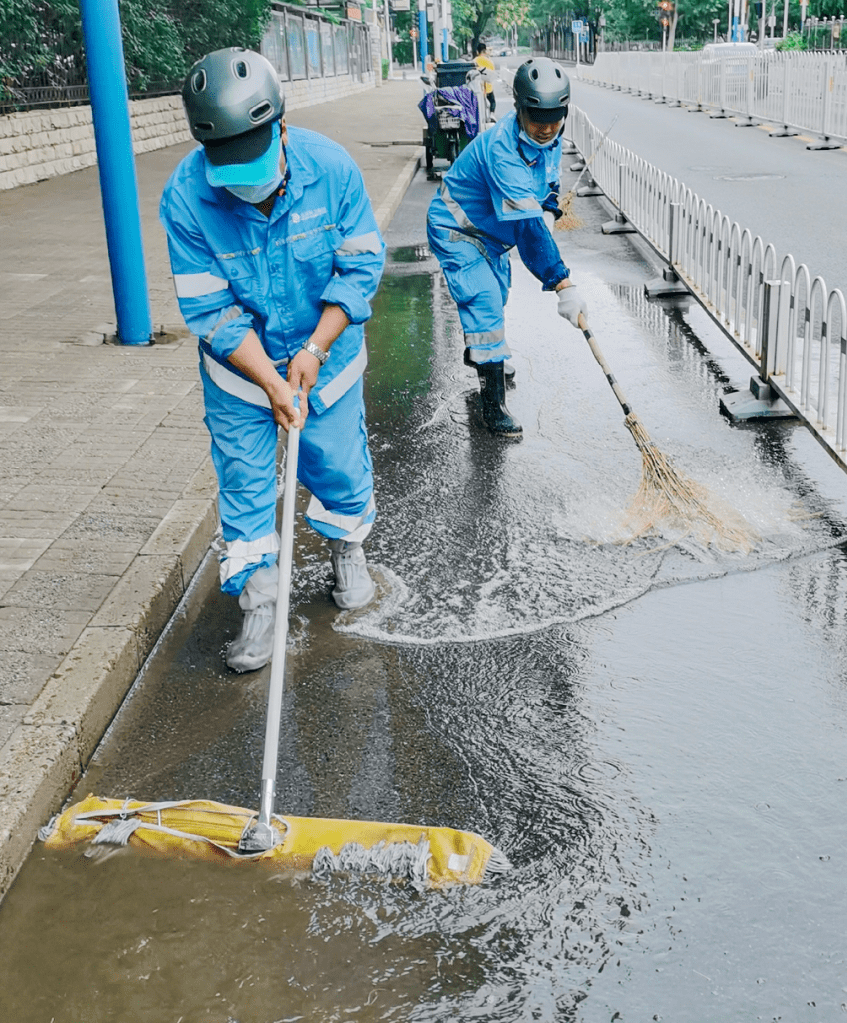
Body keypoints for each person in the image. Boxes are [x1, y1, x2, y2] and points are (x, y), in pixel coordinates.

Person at [159, 48, 386, 673]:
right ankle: (261, 604)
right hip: (239, 376)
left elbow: (361, 266)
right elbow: (212, 312)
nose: (245, 181)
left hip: (328, 359)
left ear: (281, 128)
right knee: (245, 487)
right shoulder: (186, 198)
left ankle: (347, 550)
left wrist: (315, 348)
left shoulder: (332, 169)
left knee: (337, 465)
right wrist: (269, 380)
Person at [426, 56, 586, 437]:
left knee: (496, 297)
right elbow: (529, 232)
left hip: (494, 236)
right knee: (484, 304)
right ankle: (492, 406)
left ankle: (484, 356)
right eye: (537, 120)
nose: (547, 129)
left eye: (555, 119)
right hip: (459, 231)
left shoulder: (549, 141)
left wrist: (548, 207)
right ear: (519, 109)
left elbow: (547, 184)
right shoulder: (503, 151)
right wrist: (562, 284)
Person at [474, 43, 496, 117]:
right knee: (492, 102)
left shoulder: (474, 61)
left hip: (478, 88)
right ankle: (492, 114)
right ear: (485, 51)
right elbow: (492, 74)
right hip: (488, 88)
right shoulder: (490, 62)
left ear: (477, 51)